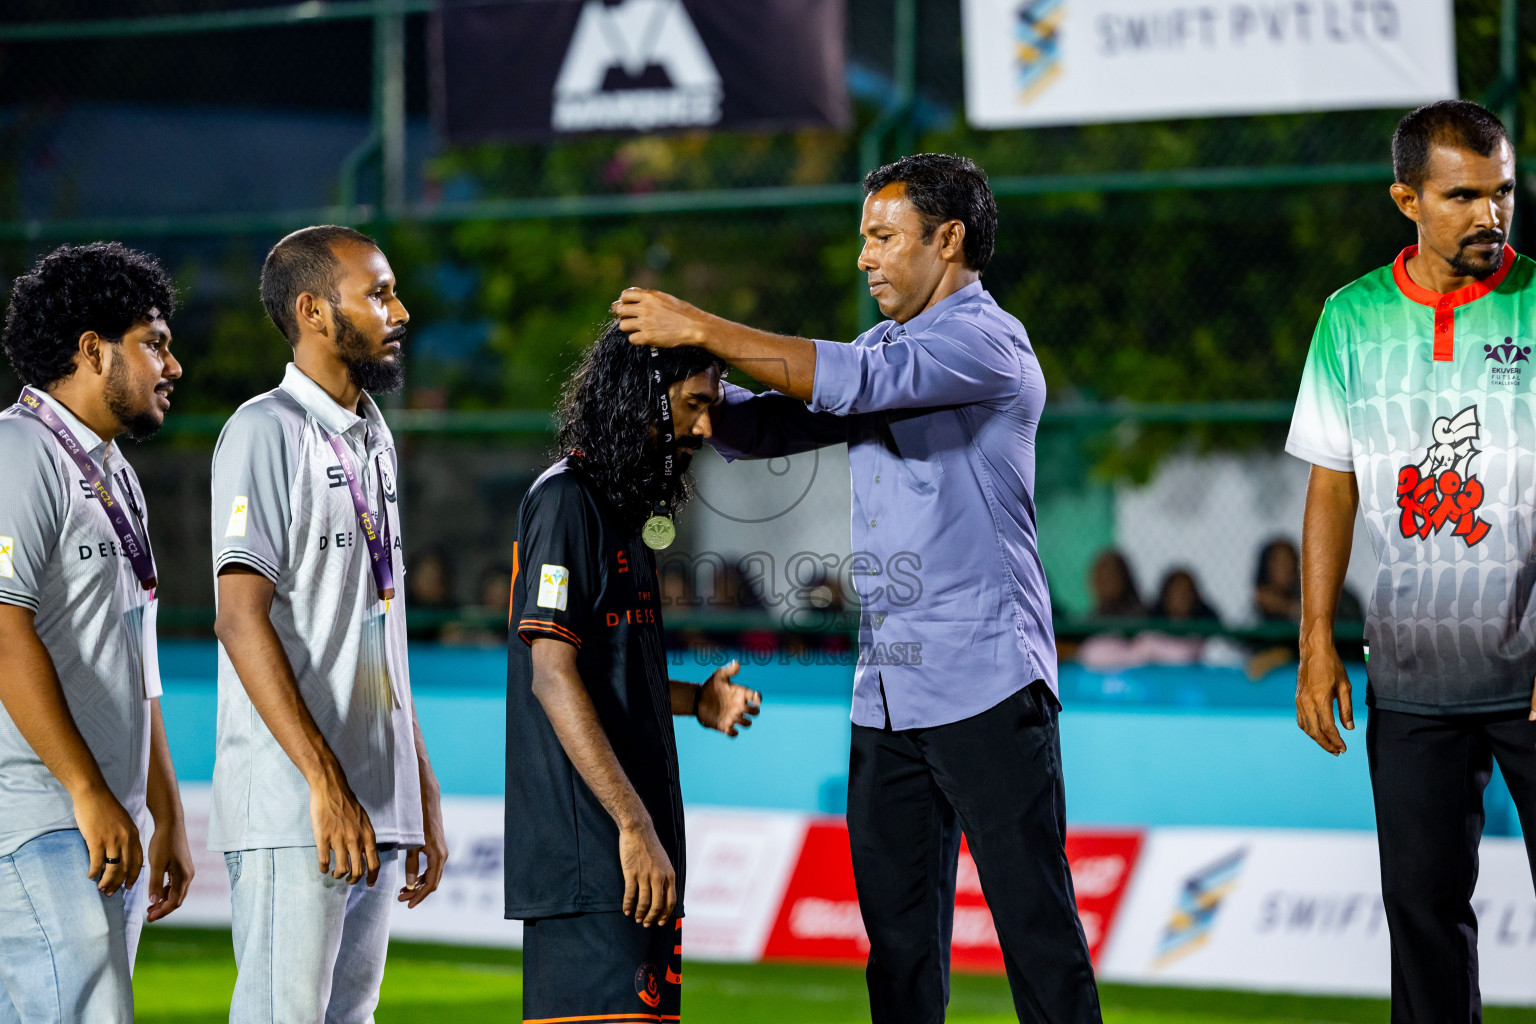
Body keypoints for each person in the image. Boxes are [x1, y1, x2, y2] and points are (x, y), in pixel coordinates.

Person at [615, 154, 1101, 1023]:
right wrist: (681, 387)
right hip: (887, 694)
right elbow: (770, 422)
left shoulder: (986, 341)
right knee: (900, 954)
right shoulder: (887, 344)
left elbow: (852, 380)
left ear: (947, 240)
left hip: (987, 682)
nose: (865, 258)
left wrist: (698, 319)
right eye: (863, 240)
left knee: (1037, 935)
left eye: (883, 237)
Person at [1288, 100, 1535, 1023]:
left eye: (1502, 192)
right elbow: (1332, 487)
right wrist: (1317, 639)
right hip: (1413, 679)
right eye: (1462, 195)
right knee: (1423, 922)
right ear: (1407, 200)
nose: (1490, 214)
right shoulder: (1350, 318)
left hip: (1535, 667)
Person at [209, 225, 448, 1023]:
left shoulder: (371, 432)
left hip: (373, 798)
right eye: (378, 293)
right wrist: (323, 781)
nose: (400, 310)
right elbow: (240, 621)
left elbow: (376, 628)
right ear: (313, 311)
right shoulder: (263, 431)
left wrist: (416, 783)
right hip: (297, 809)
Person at [505, 325, 762, 1024]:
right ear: (640, 398)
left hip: (635, 853)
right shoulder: (567, 501)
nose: (707, 427)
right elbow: (552, 674)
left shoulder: (625, 508)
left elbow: (602, 669)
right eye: (693, 405)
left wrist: (695, 701)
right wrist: (633, 825)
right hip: (594, 856)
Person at [0, 242, 194, 1021]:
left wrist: (165, 812)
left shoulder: (112, 472)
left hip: (104, 821)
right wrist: (86, 791)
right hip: (38, 812)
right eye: (154, 342)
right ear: (91, 350)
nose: (172, 366)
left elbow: (133, 661)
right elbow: (4, 628)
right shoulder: (19, 452)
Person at [1089, 548, 1147, 619]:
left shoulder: (1137, 617)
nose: (1101, 584)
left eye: (1109, 577)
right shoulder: (1094, 617)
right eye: (1098, 577)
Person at [1252, 539, 1301, 621]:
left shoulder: (1304, 598)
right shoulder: (1258, 603)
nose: (1287, 568)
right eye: (1280, 562)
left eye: (1290, 561)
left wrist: (1285, 607)